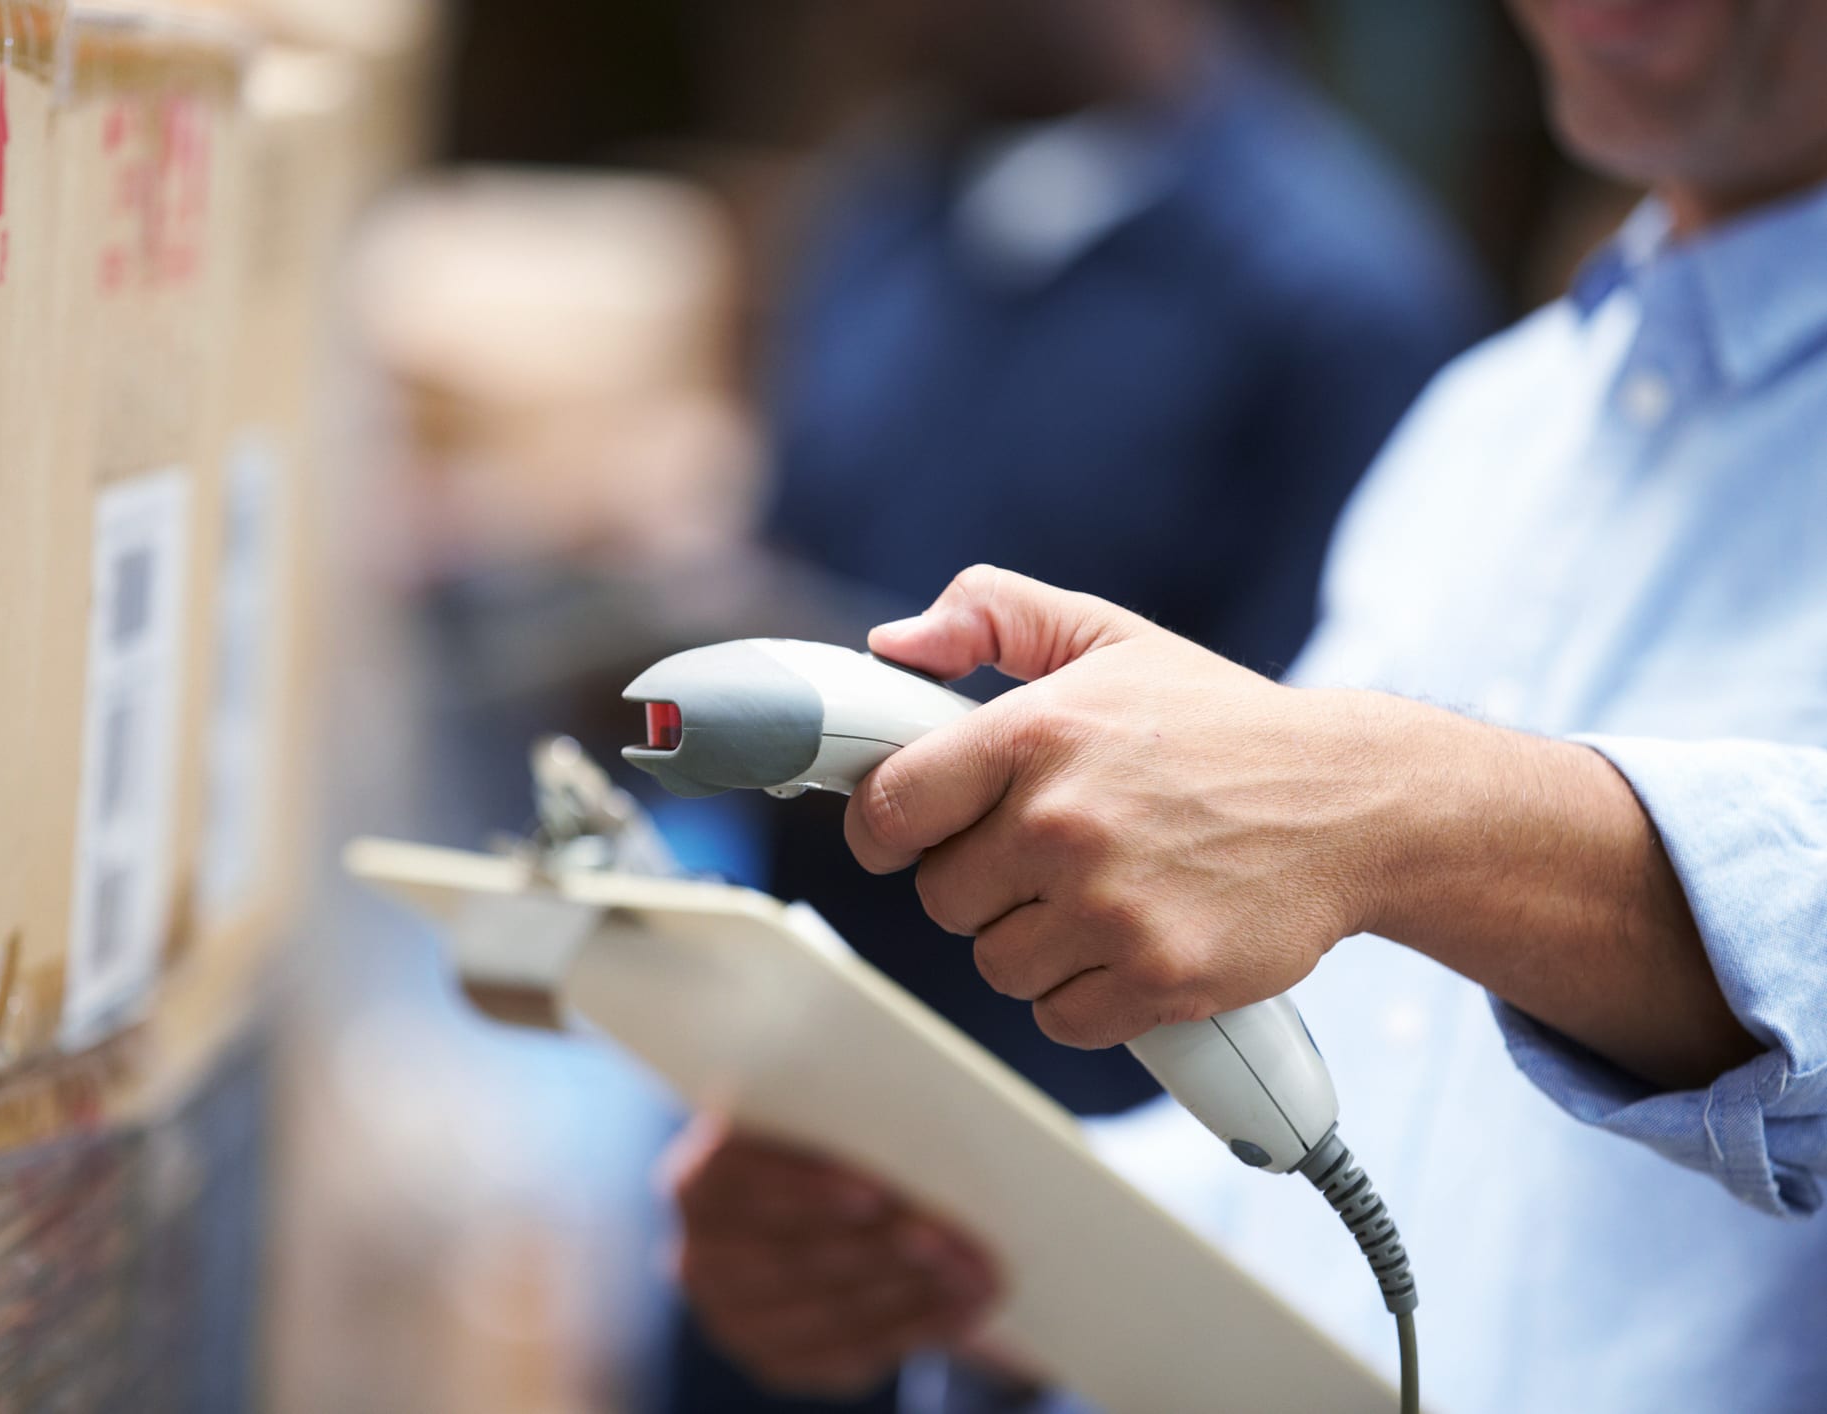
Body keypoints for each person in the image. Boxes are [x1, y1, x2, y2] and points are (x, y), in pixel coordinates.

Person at [666, 0, 1827, 1410]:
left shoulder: (1342, 298)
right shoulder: (1488, 433)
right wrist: (959, 1250)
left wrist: (1395, 807)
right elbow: (1374, 1150)